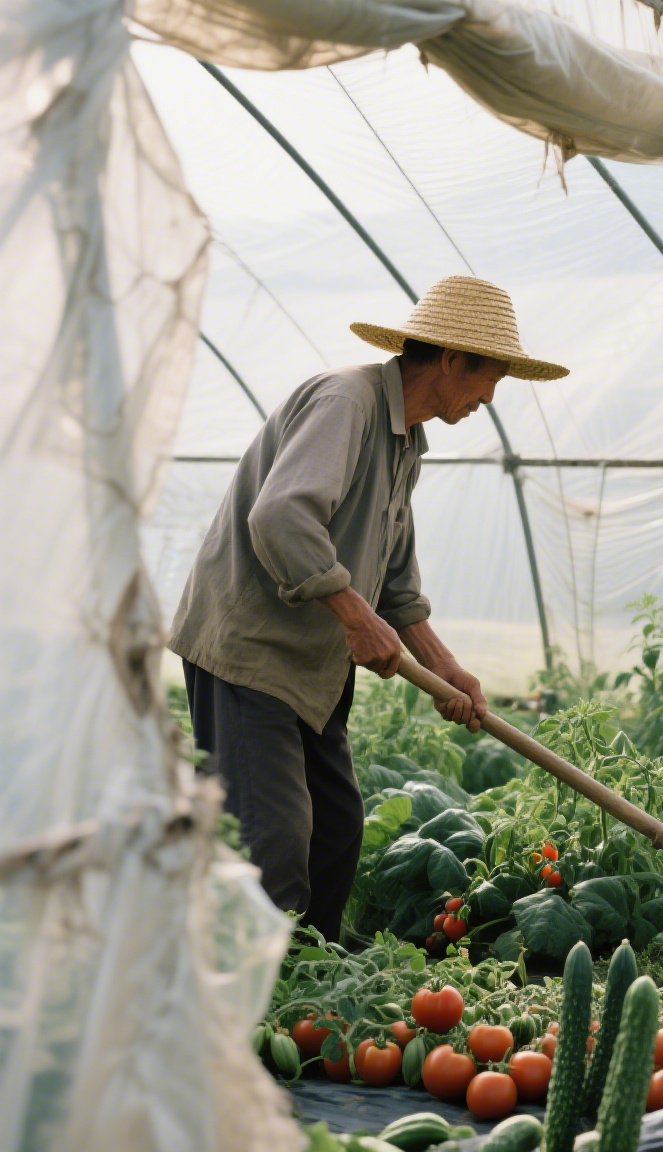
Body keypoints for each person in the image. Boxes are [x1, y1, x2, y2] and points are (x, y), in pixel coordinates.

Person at [169, 275, 567, 941]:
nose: (490, 398)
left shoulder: (405, 440)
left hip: (312, 666)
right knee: (272, 844)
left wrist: (445, 670)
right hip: (250, 653)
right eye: (489, 378)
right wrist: (355, 616)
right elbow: (281, 516)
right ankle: (247, 992)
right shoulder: (346, 402)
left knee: (336, 830)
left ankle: (315, 984)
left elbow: (395, 582)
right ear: (451, 359)